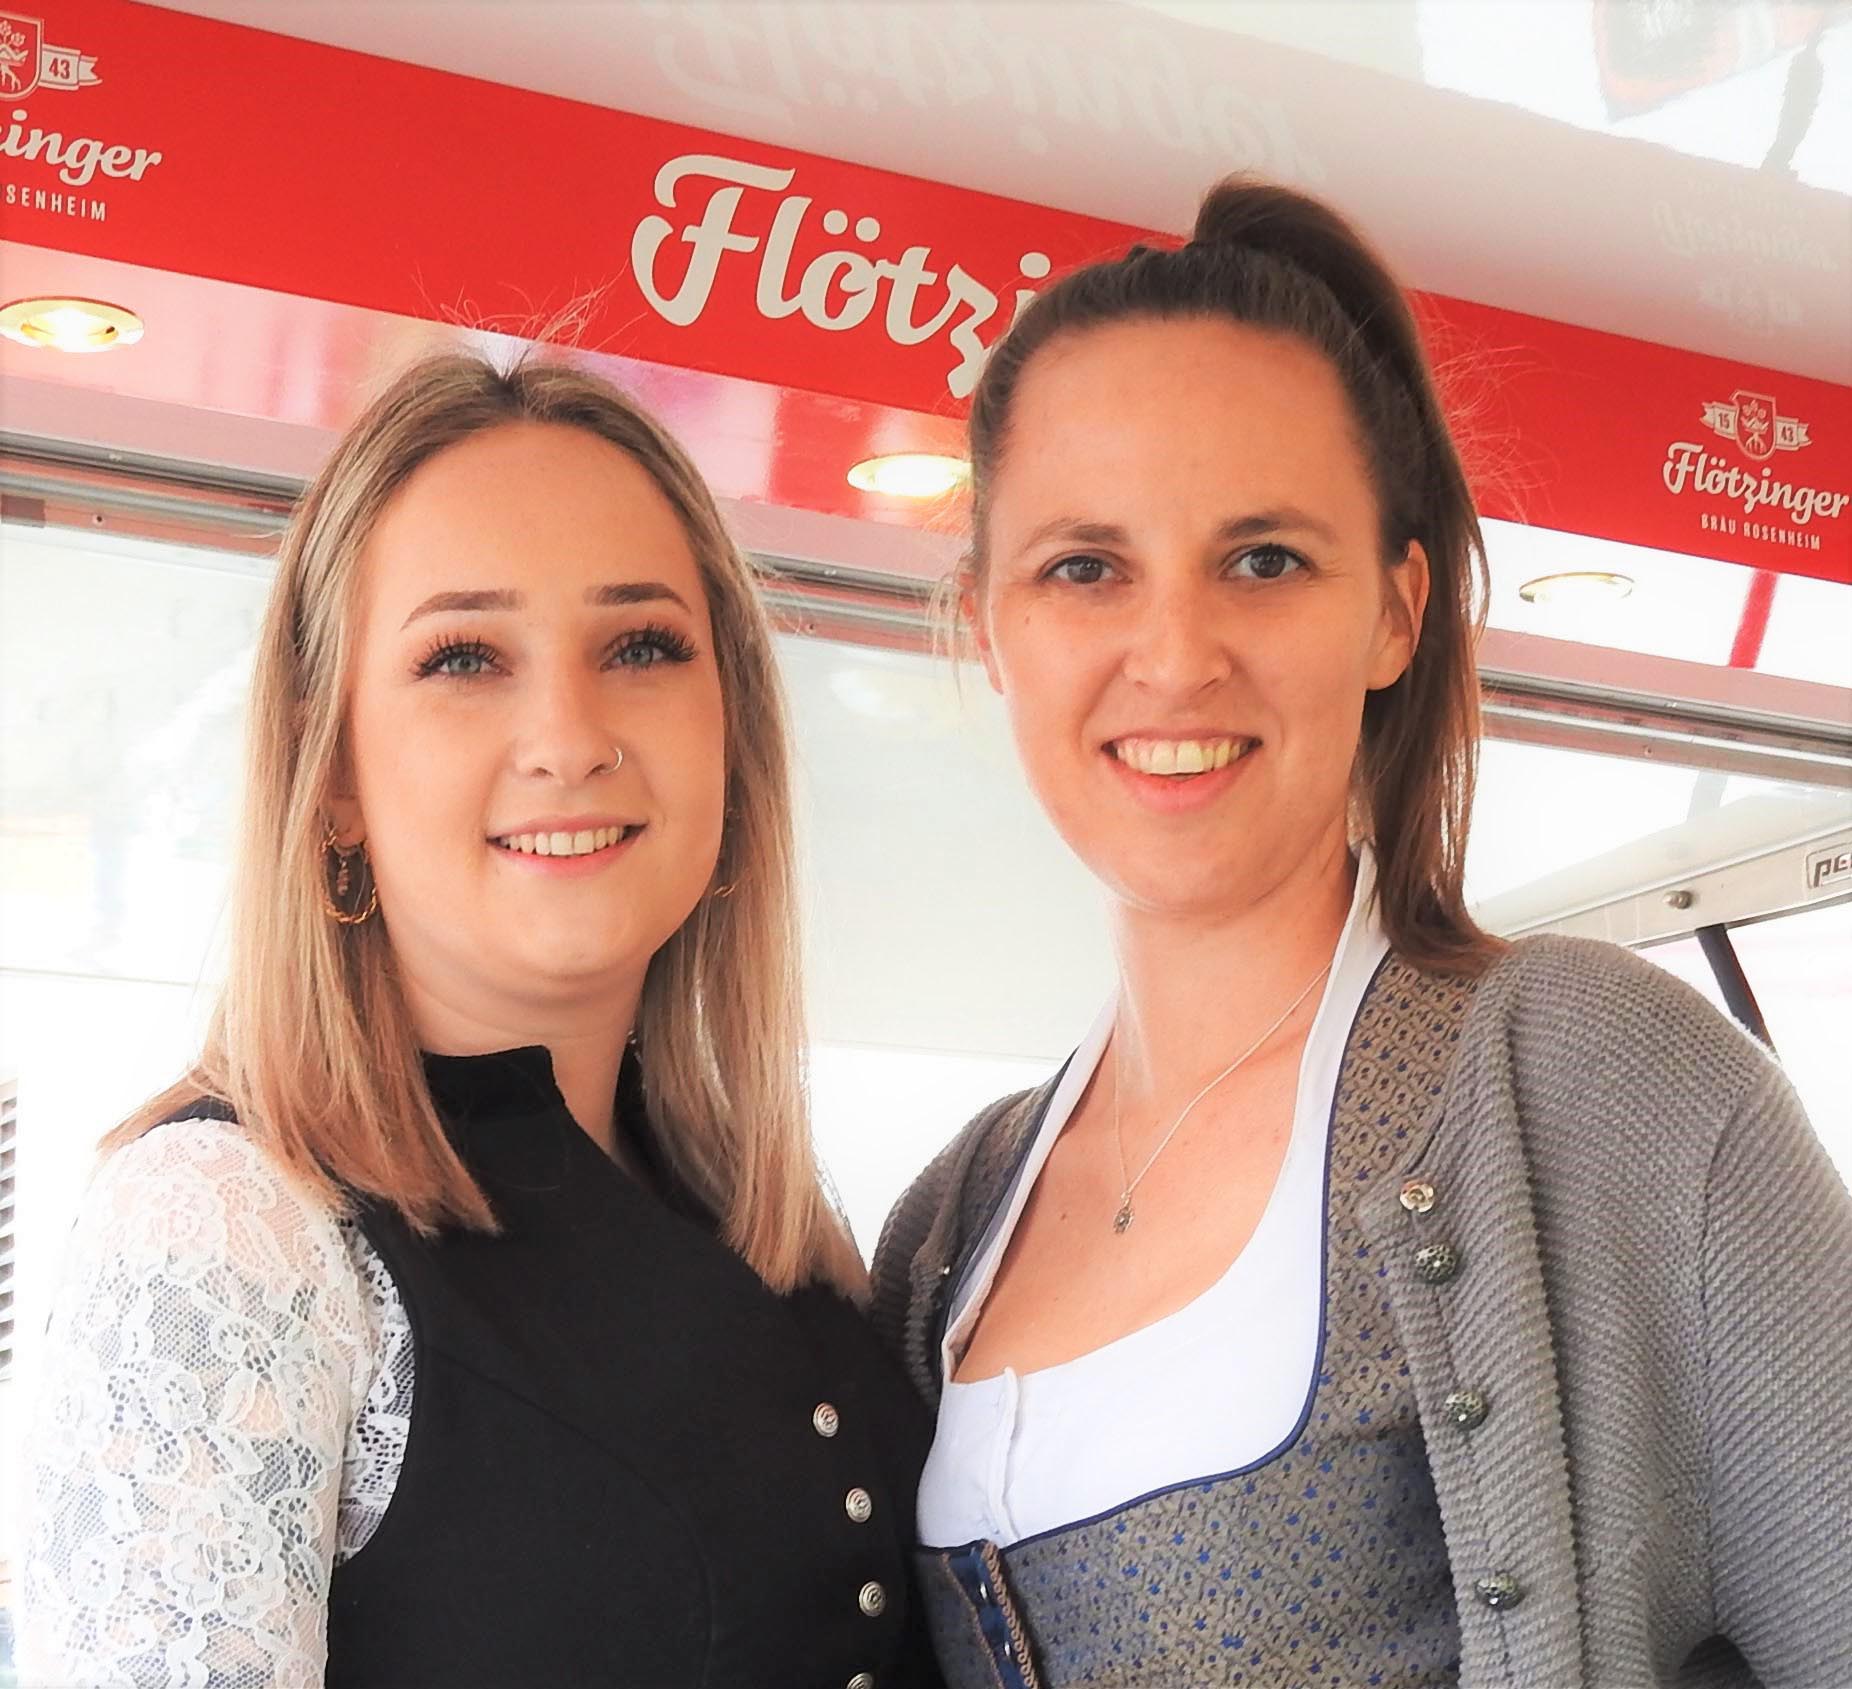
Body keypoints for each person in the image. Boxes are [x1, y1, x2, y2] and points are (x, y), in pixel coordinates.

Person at [871, 180, 1852, 1688]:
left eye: (1264, 558)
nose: (1175, 655)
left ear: (1396, 610)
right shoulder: (944, 1228)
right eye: (1085, 567)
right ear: (989, 621)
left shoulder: (1602, 1088)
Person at [21, 352, 939, 1688]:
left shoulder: (765, 1214)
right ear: (333, 773)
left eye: (641, 647)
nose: (568, 735)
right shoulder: (232, 1224)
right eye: (464, 657)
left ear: (731, 733)